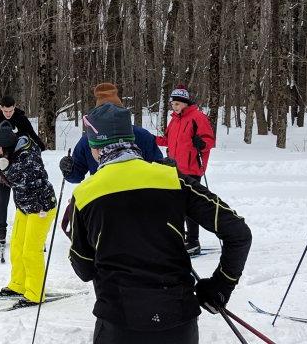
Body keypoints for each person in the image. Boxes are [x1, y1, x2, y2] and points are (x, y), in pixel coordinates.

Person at [67, 103, 252, 343]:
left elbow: (84, 269)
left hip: (119, 324)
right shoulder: (172, 179)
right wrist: (221, 286)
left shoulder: (85, 195)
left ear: (95, 146)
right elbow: (238, 232)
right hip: (178, 322)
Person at [0, 121, 56, 306]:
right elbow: (11, 181)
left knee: (31, 251)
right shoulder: (12, 154)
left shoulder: (28, 154)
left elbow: (27, 181)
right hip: (24, 207)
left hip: (41, 207)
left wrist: (6, 168)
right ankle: (18, 284)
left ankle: (35, 293)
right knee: (17, 247)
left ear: (7, 145)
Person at [0, 96, 45, 244]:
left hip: (19, 159)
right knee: (2, 196)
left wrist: (40, 145)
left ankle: (27, 227)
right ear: (0, 108)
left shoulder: (20, 118)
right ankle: (1, 229)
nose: (9, 114)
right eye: (6, 111)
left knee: (22, 195)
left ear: (15, 107)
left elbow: (31, 134)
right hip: (1, 159)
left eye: (11, 110)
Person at [60, 82, 164, 184]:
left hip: (137, 192)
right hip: (102, 193)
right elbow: (77, 175)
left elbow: (158, 170)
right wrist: (69, 170)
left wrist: (165, 167)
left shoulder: (141, 135)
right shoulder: (88, 140)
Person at [155, 84, 216, 255]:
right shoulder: (174, 120)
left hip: (192, 168)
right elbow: (167, 140)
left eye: (177, 104)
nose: (174, 107)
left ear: (185, 103)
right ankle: (179, 238)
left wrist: (202, 144)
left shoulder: (198, 117)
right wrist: (151, 140)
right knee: (176, 205)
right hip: (174, 168)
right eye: (172, 104)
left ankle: (193, 241)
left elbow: (209, 141)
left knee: (189, 206)